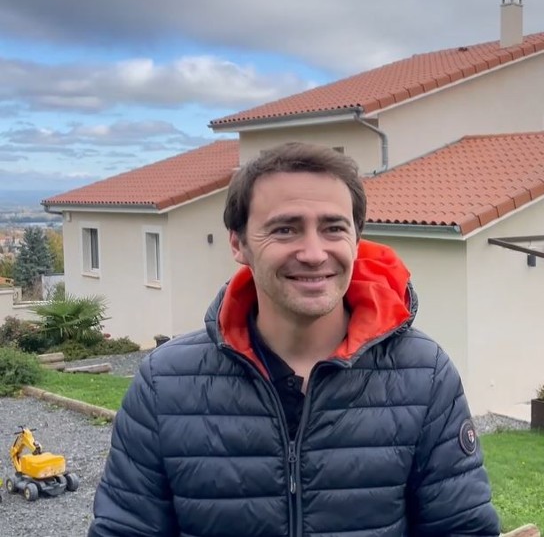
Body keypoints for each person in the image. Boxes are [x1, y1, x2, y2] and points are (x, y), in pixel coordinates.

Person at [88, 142, 503, 536]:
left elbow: (462, 528)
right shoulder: (165, 384)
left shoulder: (424, 375)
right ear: (239, 243)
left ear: (356, 239)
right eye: (285, 229)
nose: (313, 252)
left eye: (333, 228)